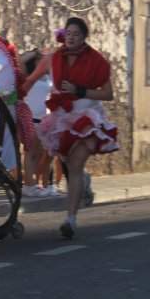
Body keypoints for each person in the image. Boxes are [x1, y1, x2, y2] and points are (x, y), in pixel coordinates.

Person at [23, 17, 119, 238]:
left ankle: (70, 219)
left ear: (84, 37)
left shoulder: (96, 61)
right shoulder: (52, 59)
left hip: (88, 118)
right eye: (68, 33)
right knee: (67, 162)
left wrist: (80, 90)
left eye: (76, 34)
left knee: (74, 165)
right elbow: (30, 80)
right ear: (63, 35)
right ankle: (82, 182)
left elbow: (108, 94)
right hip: (61, 119)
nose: (71, 37)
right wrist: (14, 95)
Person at [19, 48, 59, 197]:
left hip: (45, 119)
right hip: (30, 117)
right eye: (39, 57)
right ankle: (30, 185)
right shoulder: (27, 74)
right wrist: (36, 52)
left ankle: (45, 184)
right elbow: (21, 60)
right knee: (31, 152)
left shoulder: (46, 74)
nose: (43, 58)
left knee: (47, 153)